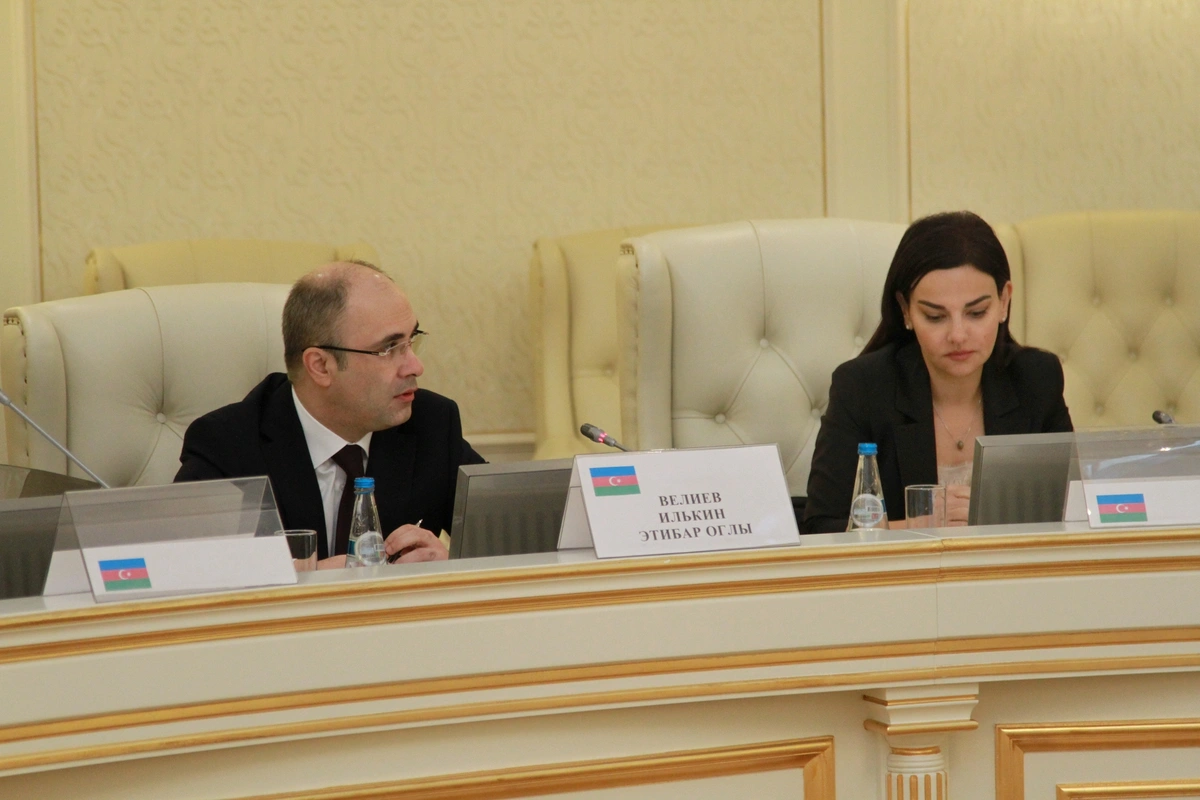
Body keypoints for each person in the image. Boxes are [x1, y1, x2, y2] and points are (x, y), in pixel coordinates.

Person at [175, 260, 484, 566]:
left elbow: (505, 542)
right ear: (321, 366)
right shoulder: (226, 447)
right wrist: (311, 578)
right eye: (389, 348)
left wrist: (453, 563)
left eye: (411, 340)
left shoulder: (431, 424)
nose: (416, 366)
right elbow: (181, 568)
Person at [803, 211, 1073, 533]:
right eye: (935, 316)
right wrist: (921, 525)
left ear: (1004, 301)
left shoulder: (1037, 379)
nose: (958, 335)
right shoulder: (862, 387)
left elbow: (1074, 510)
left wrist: (993, 519)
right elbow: (821, 528)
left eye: (976, 312)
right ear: (905, 310)